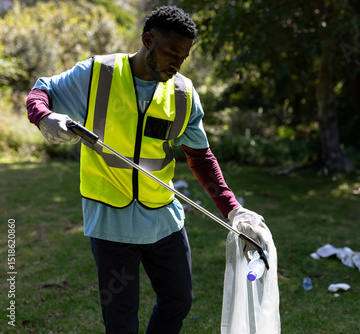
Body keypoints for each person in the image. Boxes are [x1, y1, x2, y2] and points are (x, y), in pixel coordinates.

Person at [26, 5, 264, 334]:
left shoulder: (183, 94)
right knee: (121, 319)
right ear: (148, 40)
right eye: (170, 53)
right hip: (110, 221)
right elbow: (41, 92)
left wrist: (233, 210)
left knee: (179, 300)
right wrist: (43, 117)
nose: (176, 64)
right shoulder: (97, 74)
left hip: (163, 218)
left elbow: (201, 157)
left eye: (183, 57)